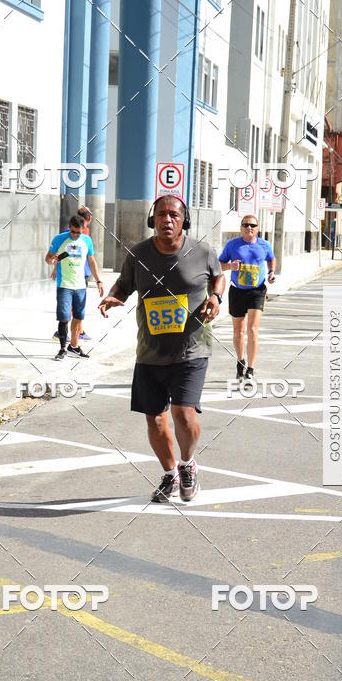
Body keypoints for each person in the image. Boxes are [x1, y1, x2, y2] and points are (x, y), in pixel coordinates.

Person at [98, 195, 224, 504]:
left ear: (184, 221)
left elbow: (218, 277)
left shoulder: (203, 251)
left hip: (192, 348)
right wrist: (114, 296)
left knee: (183, 413)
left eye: (174, 215)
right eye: (161, 215)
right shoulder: (138, 254)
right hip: (150, 351)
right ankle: (170, 474)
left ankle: (187, 464)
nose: (167, 220)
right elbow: (123, 285)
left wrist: (216, 298)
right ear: (152, 220)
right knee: (155, 420)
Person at [218, 214, 276, 381]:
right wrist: (230, 266)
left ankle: (250, 368)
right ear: (241, 228)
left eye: (252, 225)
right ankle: (240, 361)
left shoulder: (264, 245)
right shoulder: (232, 245)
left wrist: (271, 272)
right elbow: (219, 264)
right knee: (239, 332)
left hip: (257, 291)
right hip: (237, 291)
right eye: (245, 225)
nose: (249, 227)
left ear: (257, 228)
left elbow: (271, 259)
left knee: (252, 330)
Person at [45, 215, 104, 360]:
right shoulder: (59, 239)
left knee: (78, 317)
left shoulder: (87, 240)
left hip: (80, 286)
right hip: (64, 285)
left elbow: (92, 261)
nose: (76, 235)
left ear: (83, 229)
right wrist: (52, 260)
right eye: (73, 232)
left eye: (79, 232)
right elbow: (48, 258)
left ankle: (74, 347)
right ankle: (62, 349)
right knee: (64, 318)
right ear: (69, 227)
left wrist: (99, 281)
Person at [77, 205, 94, 341]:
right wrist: (98, 280)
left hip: (74, 272)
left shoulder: (67, 231)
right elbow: (90, 257)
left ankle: (79, 331)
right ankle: (77, 331)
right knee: (77, 304)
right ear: (89, 218)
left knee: (75, 304)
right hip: (80, 273)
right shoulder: (85, 232)